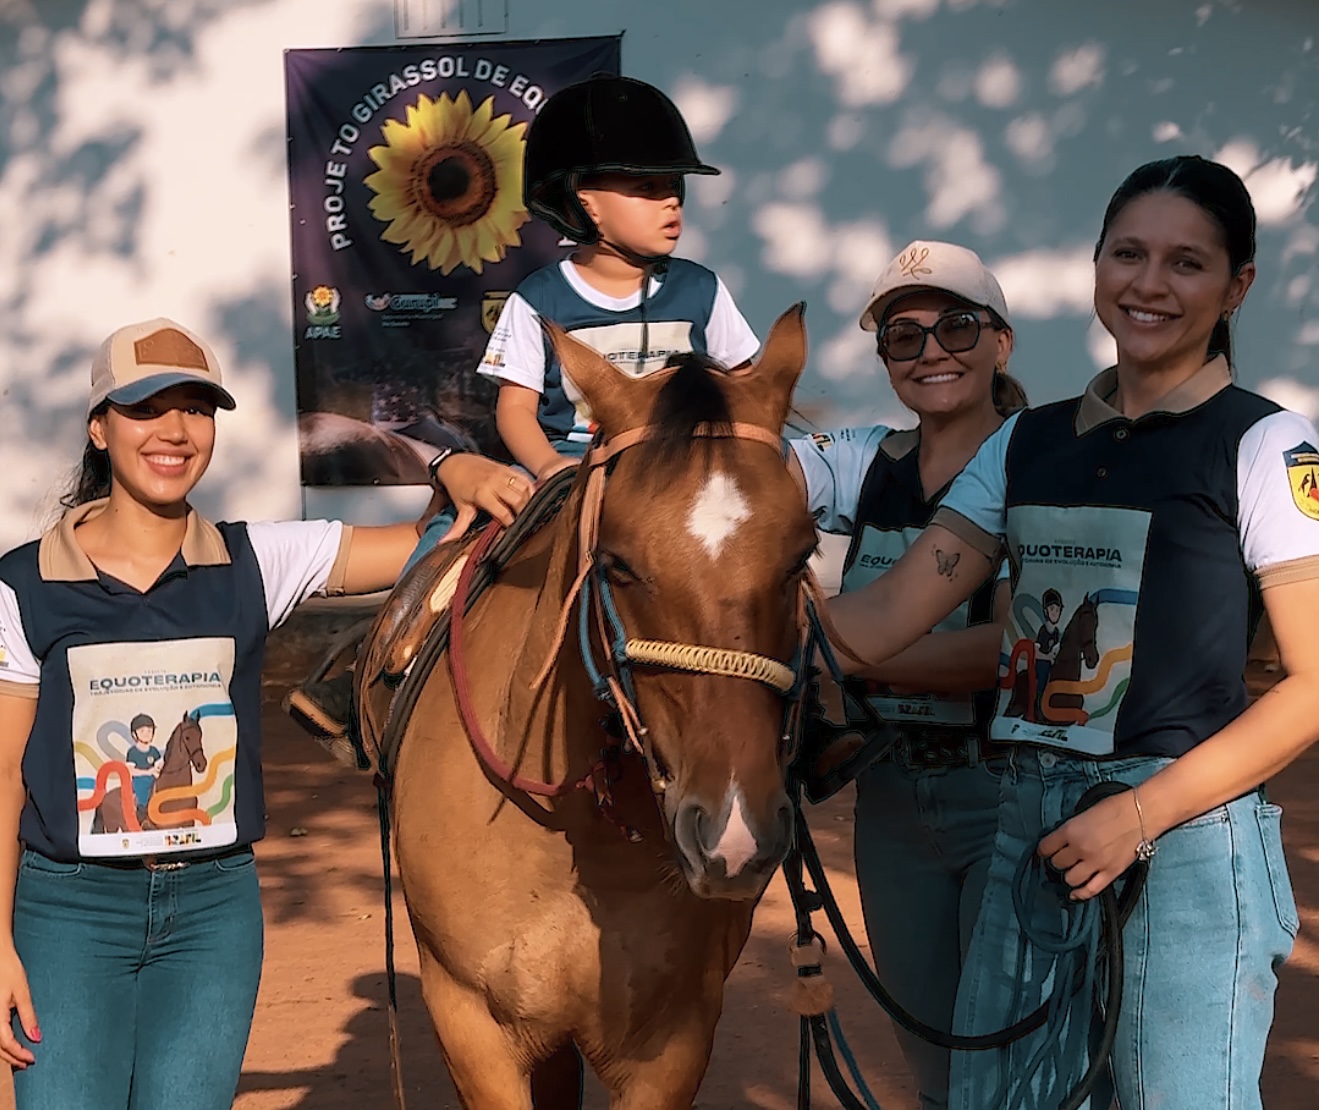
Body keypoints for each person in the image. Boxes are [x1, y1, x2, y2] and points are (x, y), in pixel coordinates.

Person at [823, 156, 1310, 1109]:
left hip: (1184, 839)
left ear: (1235, 285)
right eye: (1127, 254)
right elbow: (881, 618)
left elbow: (1314, 685)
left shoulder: (1265, 443)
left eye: (1186, 263)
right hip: (1030, 824)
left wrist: (1136, 815)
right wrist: (712, 640)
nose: (1148, 284)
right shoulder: (1025, 442)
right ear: (1095, 265)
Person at [0, 317, 530, 1109]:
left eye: (196, 408)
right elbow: (4, 775)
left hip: (213, 912)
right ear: (99, 428)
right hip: (68, 912)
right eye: (146, 408)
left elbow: (427, 543)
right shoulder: (24, 585)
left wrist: (450, 466)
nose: (175, 432)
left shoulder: (256, 560)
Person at [288, 73, 760, 744]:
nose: (672, 203)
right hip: (566, 469)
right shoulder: (539, 298)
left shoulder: (702, 291)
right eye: (649, 187)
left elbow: (745, 386)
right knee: (450, 535)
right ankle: (380, 652)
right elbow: (514, 413)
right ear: (585, 202)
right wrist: (550, 470)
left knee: (761, 566)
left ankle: (807, 712)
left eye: (675, 187)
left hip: (678, 482)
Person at [790, 240, 1024, 1109]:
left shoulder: (1039, 463)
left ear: (1001, 342)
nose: (932, 351)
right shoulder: (862, 460)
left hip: (1004, 794)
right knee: (931, 1062)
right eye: (903, 337)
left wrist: (850, 665)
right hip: (890, 801)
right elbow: (757, 476)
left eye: (956, 326)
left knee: (1011, 1064)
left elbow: (1009, 653)